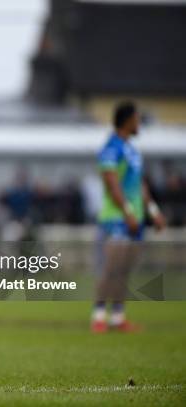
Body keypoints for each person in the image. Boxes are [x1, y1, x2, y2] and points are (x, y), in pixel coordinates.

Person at [91, 101, 166, 333]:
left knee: (124, 270)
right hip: (116, 218)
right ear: (127, 120)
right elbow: (113, 185)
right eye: (136, 118)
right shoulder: (111, 148)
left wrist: (153, 212)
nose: (139, 123)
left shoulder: (132, 150)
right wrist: (128, 213)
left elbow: (139, 184)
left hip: (134, 218)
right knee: (111, 269)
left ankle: (117, 317)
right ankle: (99, 316)